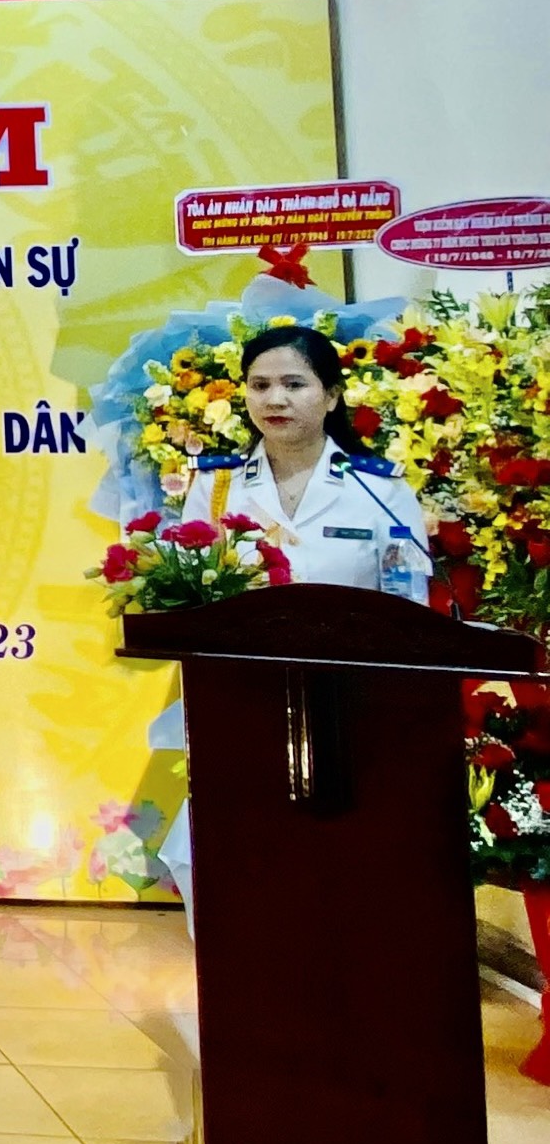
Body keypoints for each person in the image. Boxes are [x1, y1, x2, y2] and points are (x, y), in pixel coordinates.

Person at [154, 322, 430, 911]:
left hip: (358, 705)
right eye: (259, 385)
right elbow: (194, 596)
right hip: (243, 701)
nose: (274, 399)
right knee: (234, 853)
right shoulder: (217, 487)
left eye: (294, 384)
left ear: (331, 396)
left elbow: (410, 608)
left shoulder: (378, 489)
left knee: (349, 858)